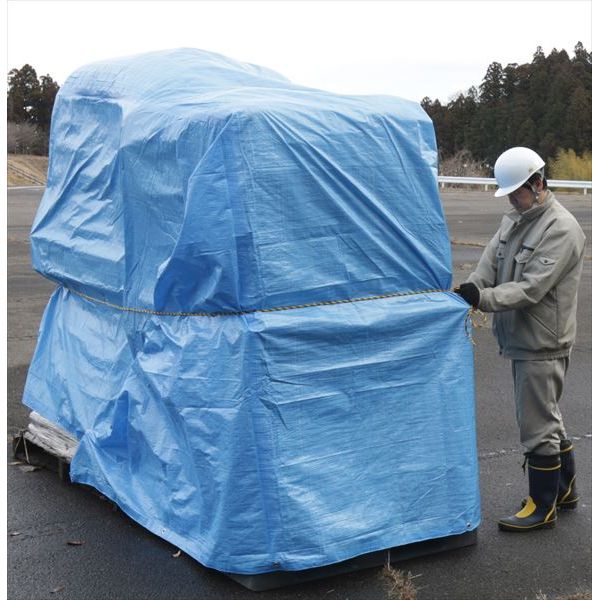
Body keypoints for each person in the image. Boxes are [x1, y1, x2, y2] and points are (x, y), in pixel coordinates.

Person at [454, 146, 586, 532]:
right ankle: (564, 491)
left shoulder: (561, 229)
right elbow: (489, 265)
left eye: (516, 193)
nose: (512, 200)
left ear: (538, 183)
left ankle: (542, 506)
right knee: (546, 416)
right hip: (523, 337)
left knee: (536, 426)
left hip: (542, 342)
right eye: (508, 194)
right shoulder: (515, 220)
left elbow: (531, 288)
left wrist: (483, 300)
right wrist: (471, 289)